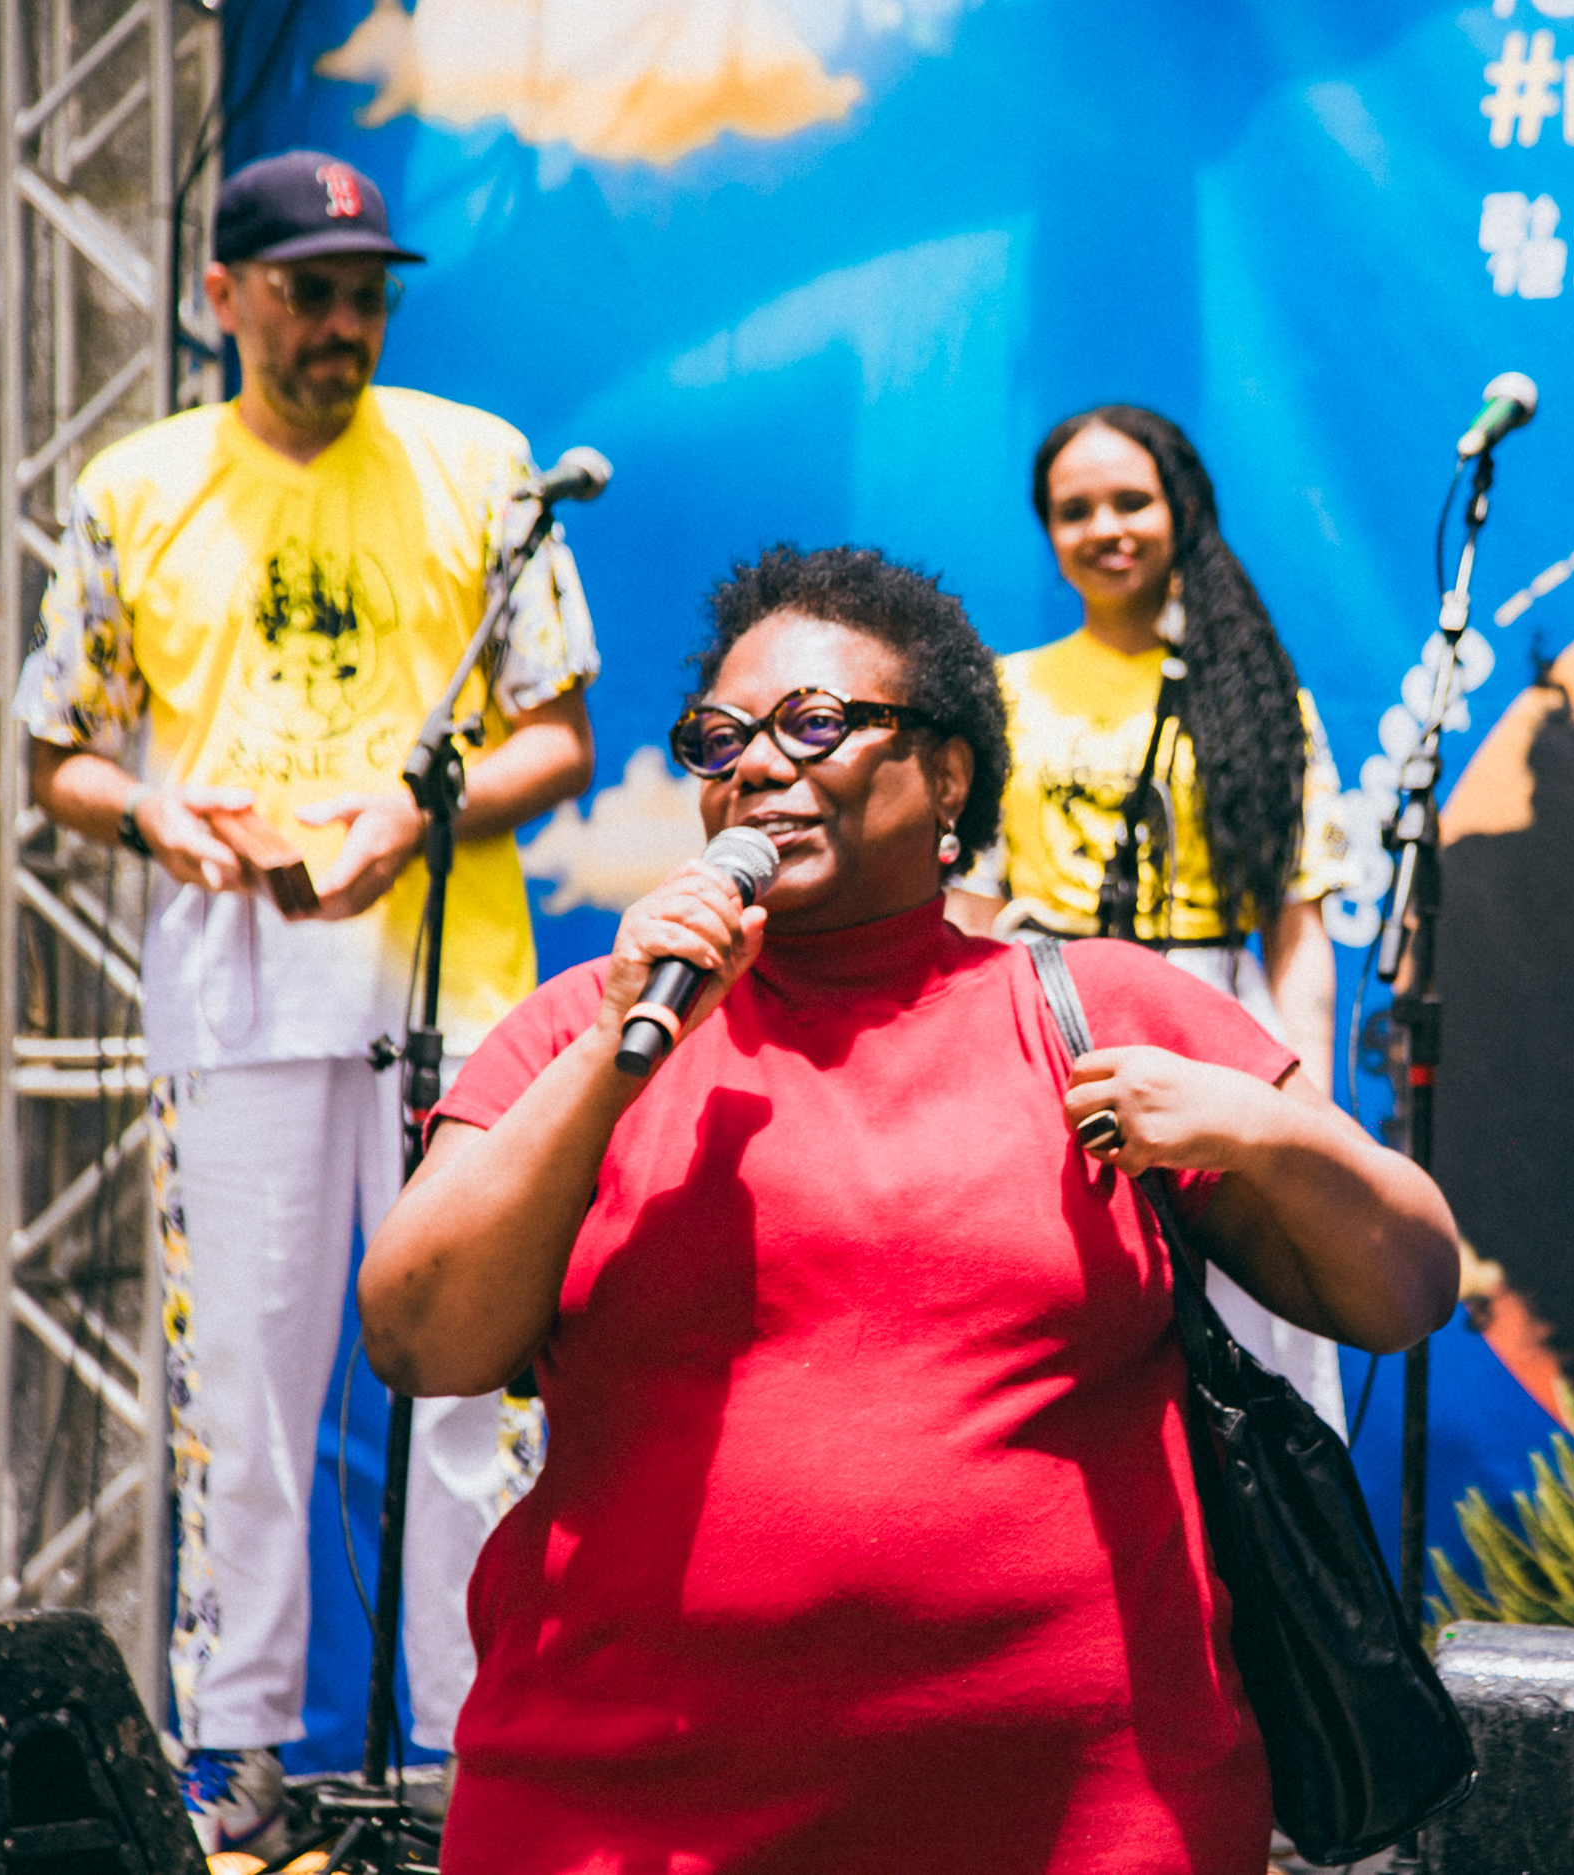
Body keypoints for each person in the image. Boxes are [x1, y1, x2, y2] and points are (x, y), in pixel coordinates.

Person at [356, 545, 1458, 1873]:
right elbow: (420, 1336)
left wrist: (1267, 1132)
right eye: (720, 738)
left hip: (1077, 1820)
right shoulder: (585, 1030)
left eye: (814, 723)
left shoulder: (1101, 1011)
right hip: (620, 1811)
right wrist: (612, 1047)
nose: (757, 766)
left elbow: (1404, 1287)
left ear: (945, 774)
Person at [17, 149, 597, 1851]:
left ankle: (473, 1750)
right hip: (237, 995)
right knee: (244, 1396)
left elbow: (559, 735)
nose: (344, 323)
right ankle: (237, 1746)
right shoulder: (133, 486)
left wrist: (419, 812)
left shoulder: (482, 465)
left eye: (365, 295)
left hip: (455, 993)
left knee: (475, 1382)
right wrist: (161, 817)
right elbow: (53, 754)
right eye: (308, 292)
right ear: (223, 297)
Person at [949, 405, 1358, 1428]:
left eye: (1130, 501)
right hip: (1049, 1029)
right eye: (1075, 510)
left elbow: (1298, 930)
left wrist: (1308, 1116)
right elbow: (968, 912)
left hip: (1220, 1028)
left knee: (1252, 1326)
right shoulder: (1000, 693)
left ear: (1182, 511)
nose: (1106, 528)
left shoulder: (1263, 698)